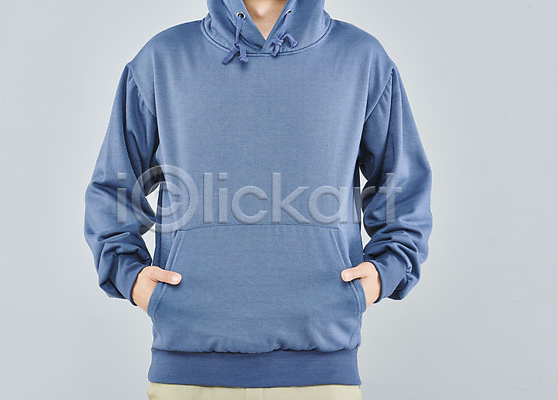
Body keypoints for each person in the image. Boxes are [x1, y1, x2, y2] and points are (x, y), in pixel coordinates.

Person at [83, 0, 433, 399]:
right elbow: (114, 187)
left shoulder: (360, 57)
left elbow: (403, 186)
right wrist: (131, 277)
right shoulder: (163, 58)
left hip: (323, 371)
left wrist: (384, 272)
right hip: (187, 373)